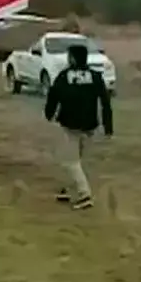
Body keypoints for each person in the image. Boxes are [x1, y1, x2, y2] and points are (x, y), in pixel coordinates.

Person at [43, 44, 113, 210]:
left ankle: (84, 194)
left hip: (70, 124)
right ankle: (68, 189)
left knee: (70, 161)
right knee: (78, 159)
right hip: (89, 125)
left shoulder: (64, 76)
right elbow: (105, 102)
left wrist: (49, 114)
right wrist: (108, 126)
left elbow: (53, 95)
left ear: (73, 58)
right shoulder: (95, 76)